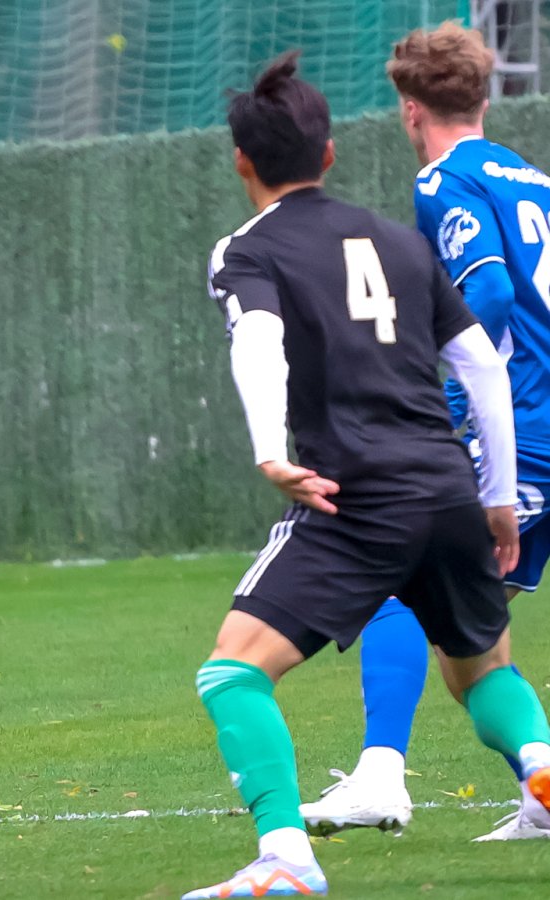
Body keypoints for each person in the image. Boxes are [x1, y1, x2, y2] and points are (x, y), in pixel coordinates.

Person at [184, 53, 550, 899]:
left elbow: (259, 339)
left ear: (241, 162)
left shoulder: (246, 249)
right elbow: (483, 368)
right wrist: (496, 498)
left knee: (232, 673)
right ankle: (538, 762)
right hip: (450, 487)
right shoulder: (401, 242)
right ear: (330, 153)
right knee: (482, 670)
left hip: (354, 495)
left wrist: (270, 450)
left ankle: (285, 856)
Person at [301, 21, 550, 844]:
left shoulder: (445, 180)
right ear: (483, 97)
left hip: (521, 426)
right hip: (542, 422)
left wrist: (438, 383)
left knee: (401, 582)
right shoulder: (533, 179)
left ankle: (379, 775)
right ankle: (540, 789)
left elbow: (490, 294)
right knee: (471, 645)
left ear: (410, 109)